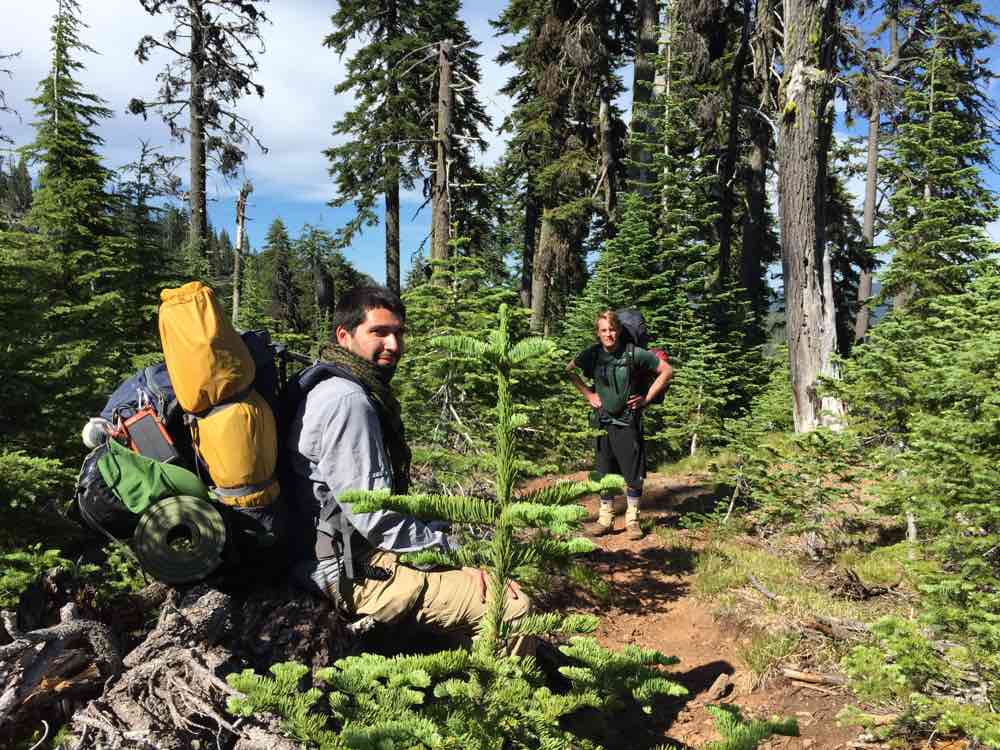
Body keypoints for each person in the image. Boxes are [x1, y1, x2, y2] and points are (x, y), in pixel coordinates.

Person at [285, 286, 530, 648]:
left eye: (398, 333)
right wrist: (453, 556)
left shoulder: (332, 383)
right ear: (344, 335)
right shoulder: (348, 400)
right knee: (510, 606)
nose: (394, 345)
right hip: (346, 570)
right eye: (379, 332)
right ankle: (501, 700)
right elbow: (375, 515)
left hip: (345, 551)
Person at [566, 309, 672, 540]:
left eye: (612, 329)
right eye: (604, 330)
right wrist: (588, 395)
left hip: (627, 421)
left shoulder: (634, 354)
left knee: (632, 473)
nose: (608, 334)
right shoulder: (593, 354)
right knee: (604, 472)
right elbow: (569, 370)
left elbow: (666, 371)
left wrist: (647, 398)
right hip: (603, 421)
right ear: (598, 333)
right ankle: (605, 519)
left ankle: (632, 520)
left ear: (619, 330)